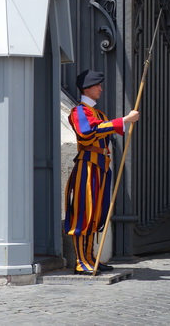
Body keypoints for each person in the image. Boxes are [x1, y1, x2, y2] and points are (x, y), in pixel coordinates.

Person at [64, 69, 140, 275]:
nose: (100, 89)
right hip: (87, 166)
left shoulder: (98, 113)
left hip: (100, 167)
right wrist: (123, 120)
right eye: (97, 85)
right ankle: (81, 261)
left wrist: (126, 122)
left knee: (96, 214)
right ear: (87, 88)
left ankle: (90, 257)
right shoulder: (78, 111)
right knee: (84, 213)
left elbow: (106, 127)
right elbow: (87, 132)